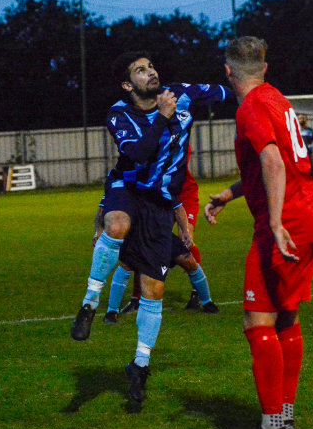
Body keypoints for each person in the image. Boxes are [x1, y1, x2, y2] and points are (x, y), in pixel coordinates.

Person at [70, 50, 230, 404]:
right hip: (128, 189)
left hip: (160, 203)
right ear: (128, 85)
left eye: (151, 66)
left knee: (153, 289)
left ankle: (140, 366)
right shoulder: (119, 114)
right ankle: (89, 304)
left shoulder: (180, 93)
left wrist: (254, 91)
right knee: (116, 224)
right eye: (140, 71)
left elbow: (228, 92)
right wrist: (162, 116)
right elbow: (138, 154)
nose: (150, 72)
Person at [204, 37, 313, 429]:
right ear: (265, 69)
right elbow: (274, 163)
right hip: (308, 215)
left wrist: (273, 222)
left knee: (257, 321)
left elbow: (272, 161)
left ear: (227, 72)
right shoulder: (277, 99)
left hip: (285, 221)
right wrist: (230, 193)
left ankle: (272, 426)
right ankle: (284, 417)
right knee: (286, 316)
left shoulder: (250, 107)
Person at [92, 195, 219, 325]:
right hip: (135, 236)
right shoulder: (123, 185)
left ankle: (207, 302)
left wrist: (185, 231)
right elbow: (102, 209)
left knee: (189, 262)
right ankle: (112, 311)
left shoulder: (162, 184)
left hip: (161, 235)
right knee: (126, 266)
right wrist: (98, 232)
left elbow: (178, 208)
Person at [118, 164, 218, 316]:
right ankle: (137, 299)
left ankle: (198, 295)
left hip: (184, 192)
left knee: (186, 241)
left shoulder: (175, 150)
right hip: (161, 191)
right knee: (146, 243)